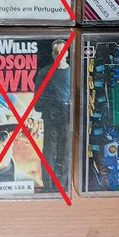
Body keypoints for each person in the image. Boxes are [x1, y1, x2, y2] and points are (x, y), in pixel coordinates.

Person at [34, 39, 72, 190]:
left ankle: (62, 186)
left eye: (62, 51)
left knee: (66, 151)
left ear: (67, 52)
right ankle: (49, 186)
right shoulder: (44, 73)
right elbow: (37, 102)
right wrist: (53, 104)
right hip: (51, 117)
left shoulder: (74, 73)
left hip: (68, 118)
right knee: (50, 152)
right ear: (52, 54)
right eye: (57, 52)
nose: (59, 55)